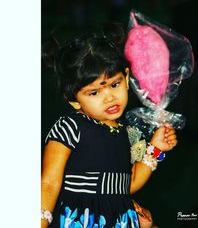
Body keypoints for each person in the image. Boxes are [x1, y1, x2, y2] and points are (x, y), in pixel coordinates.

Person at [41, 36, 177, 228]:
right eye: (94, 92)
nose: (109, 98)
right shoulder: (70, 126)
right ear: (73, 99)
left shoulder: (125, 132)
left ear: (127, 77)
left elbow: (127, 184)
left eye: (115, 84)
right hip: (80, 221)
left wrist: (156, 148)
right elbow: (48, 183)